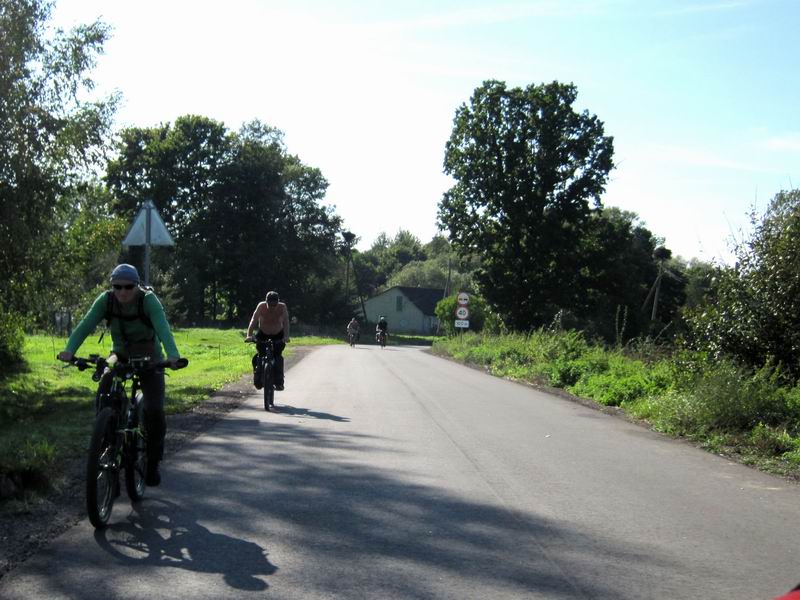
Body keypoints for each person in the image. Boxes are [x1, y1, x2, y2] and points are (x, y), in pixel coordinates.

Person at [57, 264, 182, 487]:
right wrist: (69, 350)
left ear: (137, 286)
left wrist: (172, 356)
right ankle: (107, 435)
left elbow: (163, 328)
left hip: (150, 357)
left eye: (128, 287)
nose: (122, 292)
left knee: (154, 409)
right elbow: (86, 324)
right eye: (117, 287)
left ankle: (153, 462)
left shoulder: (148, 301)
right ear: (112, 286)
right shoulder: (106, 300)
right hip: (120, 354)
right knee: (105, 382)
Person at [245, 290, 290, 391]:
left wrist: (286, 336)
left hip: (278, 335)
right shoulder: (261, 306)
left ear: (278, 302)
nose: (272, 307)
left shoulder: (282, 307)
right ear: (266, 302)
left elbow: (286, 322)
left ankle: (279, 381)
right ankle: (258, 378)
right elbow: (253, 320)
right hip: (262, 334)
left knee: (278, 356)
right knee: (258, 356)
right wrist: (249, 335)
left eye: (275, 304)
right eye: (270, 304)